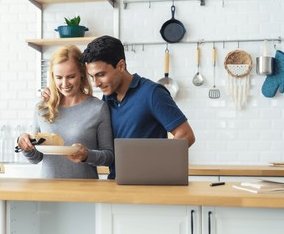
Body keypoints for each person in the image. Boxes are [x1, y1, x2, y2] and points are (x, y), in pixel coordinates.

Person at [79, 35, 195, 179]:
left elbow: (186, 135)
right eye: (92, 77)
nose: (96, 83)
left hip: (150, 184)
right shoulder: (107, 98)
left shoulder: (152, 93)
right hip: (117, 183)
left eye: (101, 75)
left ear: (121, 66)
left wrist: (152, 167)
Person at [17, 44, 114, 179]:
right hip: (48, 191)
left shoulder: (98, 108)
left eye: (70, 76)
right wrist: (25, 145)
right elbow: (36, 158)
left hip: (85, 192)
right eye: (59, 77)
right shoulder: (42, 108)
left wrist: (87, 155)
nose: (64, 83)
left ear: (81, 72)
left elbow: (109, 157)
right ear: (52, 76)